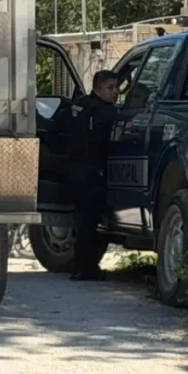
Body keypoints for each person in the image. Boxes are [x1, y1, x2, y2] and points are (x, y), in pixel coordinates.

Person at [65, 69, 120, 281]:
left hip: (75, 171)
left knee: (82, 222)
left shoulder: (78, 105)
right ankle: (84, 268)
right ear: (98, 88)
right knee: (89, 223)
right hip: (92, 174)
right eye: (110, 88)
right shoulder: (106, 112)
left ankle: (79, 265)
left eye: (117, 88)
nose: (115, 92)